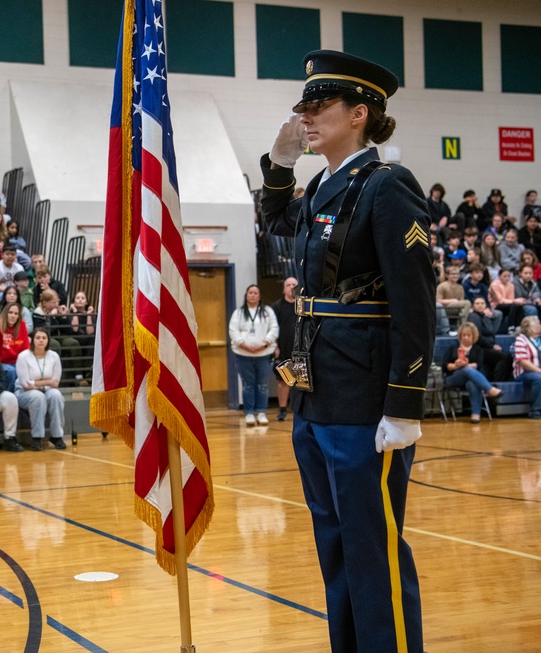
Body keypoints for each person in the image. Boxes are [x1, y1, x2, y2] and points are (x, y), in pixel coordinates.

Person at [259, 51, 434, 652]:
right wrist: (280, 164)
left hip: (364, 398)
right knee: (333, 543)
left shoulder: (388, 186)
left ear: (359, 114)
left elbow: (415, 302)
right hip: (316, 391)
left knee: (371, 547)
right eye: (303, 107)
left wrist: (405, 404)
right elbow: (276, 218)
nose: (305, 117)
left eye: (319, 106)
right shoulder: (323, 186)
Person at [228, 284, 278, 426]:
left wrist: (264, 344)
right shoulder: (238, 313)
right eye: (250, 292)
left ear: (259, 296)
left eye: (256, 293)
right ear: (246, 295)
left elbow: (274, 329)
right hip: (243, 354)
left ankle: (261, 412)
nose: (253, 295)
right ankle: (249, 413)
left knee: (262, 385)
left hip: (264, 354)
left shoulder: (268, 312)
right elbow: (233, 331)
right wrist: (244, 345)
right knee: (248, 385)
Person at [15, 328, 66, 451]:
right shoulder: (23, 356)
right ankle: (37, 437)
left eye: (44, 338)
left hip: (47, 391)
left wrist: (37, 383)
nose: (41, 340)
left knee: (56, 396)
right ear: (32, 340)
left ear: (48, 340)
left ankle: (57, 436)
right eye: (38, 338)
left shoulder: (54, 356)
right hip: (24, 393)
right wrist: (47, 381)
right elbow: (26, 384)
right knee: (38, 397)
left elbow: (55, 383)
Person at [442, 322, 503, 423]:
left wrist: (466, 365)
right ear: (460, 336)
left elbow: (478, 365)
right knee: (467, 370)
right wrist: (456, 365)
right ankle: (489, 389)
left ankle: (475, 415)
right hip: (453, 377)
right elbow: (445, 366)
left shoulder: (478, 349)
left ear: (473, 336)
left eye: (468, 335)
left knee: (472, 383)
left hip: (471, 378)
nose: (466, 338)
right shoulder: (452, 348)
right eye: (463, 335)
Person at [271, 277, 299, 420]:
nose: (291, 287)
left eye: (294, 284)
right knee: (284, 381)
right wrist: (275, 347)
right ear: (284, 288)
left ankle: (299, 410)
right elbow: (272, 328)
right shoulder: (277, 307)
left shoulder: (302, 306)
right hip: (284, 348)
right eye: (288, 285)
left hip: (300, 350)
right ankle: (282, 409)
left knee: (300, 381)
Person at [466, 297, 513, 382]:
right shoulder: (474, 317)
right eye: (477, 303)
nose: (480, 305)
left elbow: (491, 333)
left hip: (488, 346)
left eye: (482, 303)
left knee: (509, 355)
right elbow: (477, 337)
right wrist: (492, 346)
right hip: (479, 348)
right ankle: (497, 382)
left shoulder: (485, 316)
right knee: (504, 357)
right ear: (473, 306)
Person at [0, 301, 29, 391]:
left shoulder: (22, 325)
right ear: (5, 313)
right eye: (10, 312)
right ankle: (8, 396)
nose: (13, 316)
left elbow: (26, 348)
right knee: (12, 371)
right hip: (1, 362)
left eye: (16, 313)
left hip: (17, 362)